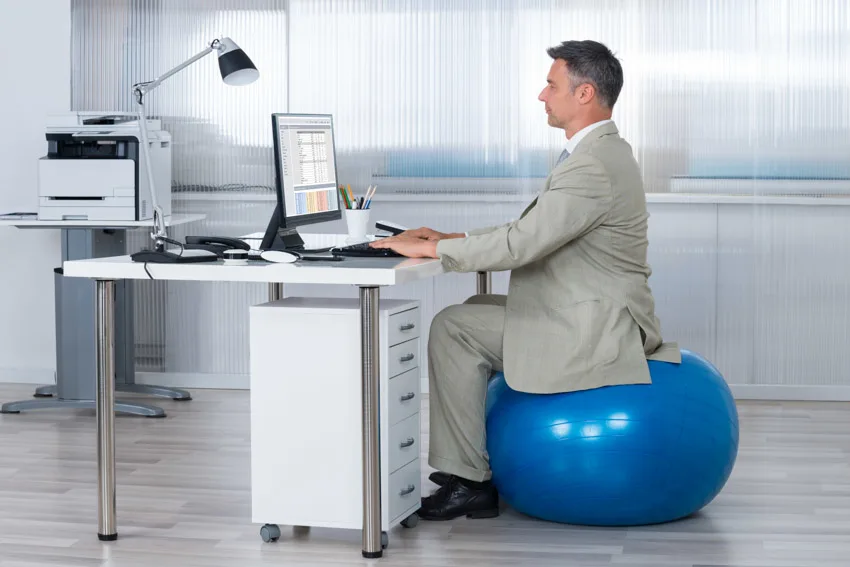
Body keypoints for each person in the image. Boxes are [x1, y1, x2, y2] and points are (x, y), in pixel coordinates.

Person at [370, 39, 680, 521]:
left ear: (585, 94)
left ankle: (471, 480)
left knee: (453, 328)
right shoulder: (600, 152)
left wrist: (434, 250)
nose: (541, 95)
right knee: (471, 313)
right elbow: (534, 231)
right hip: (589, 307)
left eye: (551, 85)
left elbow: (523, 245)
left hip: (598, 329)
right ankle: (470, 464)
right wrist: (454, 236)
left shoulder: (592, 164)